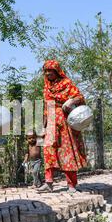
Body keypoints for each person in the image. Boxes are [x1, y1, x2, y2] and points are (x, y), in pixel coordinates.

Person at [37, 60, 87, 193]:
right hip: (51, 120)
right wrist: (43, 126)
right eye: (46, 71)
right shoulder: (47, 87)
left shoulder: (67, 83)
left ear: (57, 71)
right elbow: (46, 108)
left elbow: (80, 97)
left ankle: (71, 184)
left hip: (65, 121)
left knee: (67, 151)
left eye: (50, 71)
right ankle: (48, 182)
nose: (48, 73)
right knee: (49, 150)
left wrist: (71, 100)